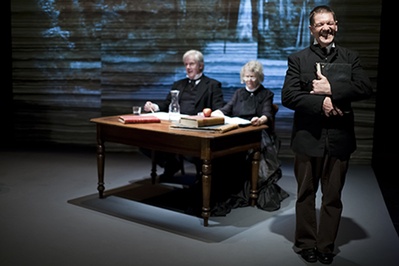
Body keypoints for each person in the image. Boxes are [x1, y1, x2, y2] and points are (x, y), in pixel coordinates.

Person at [281, 5, 373, 264]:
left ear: (336, 26)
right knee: (306, 195)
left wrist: (332, 88)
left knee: (333, 197)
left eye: (329, 23)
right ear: (312, 29)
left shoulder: (350, 57)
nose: (326, 28)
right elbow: (288, 96)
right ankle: (306, 244)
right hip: (307, 138)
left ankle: (326, 246)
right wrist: (321, 103)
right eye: (320, 24)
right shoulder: (298, 59)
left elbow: (365, 88)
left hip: (340, 139)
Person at [210, 60, 289, 215]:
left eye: (253, 77)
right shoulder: (239, 93)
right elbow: (227, 109)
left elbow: (267, 113)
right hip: (238, 132)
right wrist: (217, 113)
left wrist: (260, 120)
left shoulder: (266, 94)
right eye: (247, 77)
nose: (250, 80)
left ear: (258, 77)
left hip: (257, 132)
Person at [142, 49, 224, 180]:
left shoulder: (212, 85)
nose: (188, 67)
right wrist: (154, 107)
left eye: (191, 64)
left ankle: (203, 176)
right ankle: (171, 164)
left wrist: (201, 116)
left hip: (196, 129)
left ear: (201, 66)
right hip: (174, 125)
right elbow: (166, 104)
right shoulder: (178, 84)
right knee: (145, 141)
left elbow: (219, 109)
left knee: (191, 151)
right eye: (186, 64)